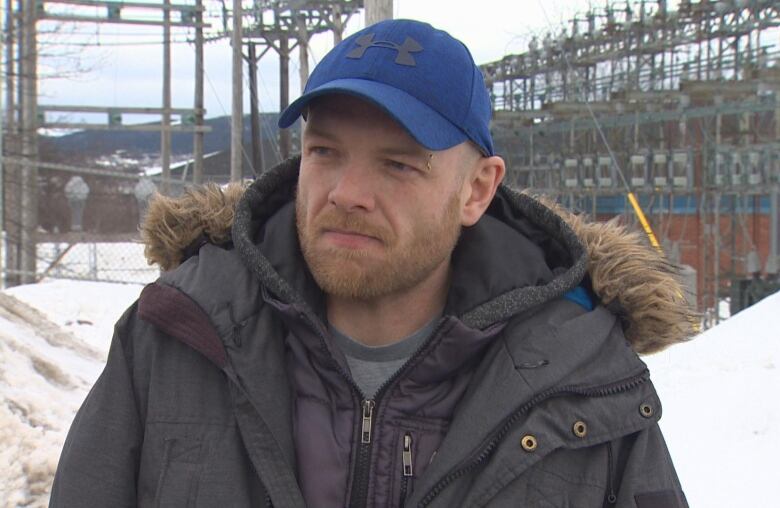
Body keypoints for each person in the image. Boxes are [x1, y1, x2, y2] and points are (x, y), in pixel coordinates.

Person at [51, 19, 694, 507]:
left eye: (397, 163)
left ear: (477, 189)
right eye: (325, 151)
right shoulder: (175, 339)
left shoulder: (586, 382)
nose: (346, 193)